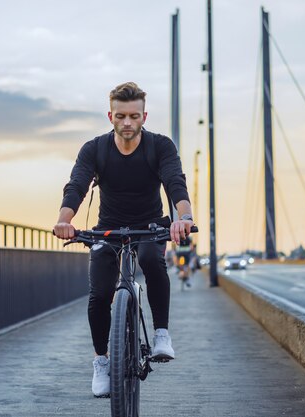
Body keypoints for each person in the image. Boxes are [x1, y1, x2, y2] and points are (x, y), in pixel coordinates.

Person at [53, 82, 194, 397]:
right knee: (100, 292)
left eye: (134, 116)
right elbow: (76, 185)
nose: (127, 122)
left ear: (144, 116)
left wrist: (183, 218)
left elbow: (175, 182)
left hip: (151, 226)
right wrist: (64, 221)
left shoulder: (160, 146)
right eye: (121, 116)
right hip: (108, 227)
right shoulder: (95, 149)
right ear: (110, 116)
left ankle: (161, 334)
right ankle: (101, 361)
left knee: (150, 259)